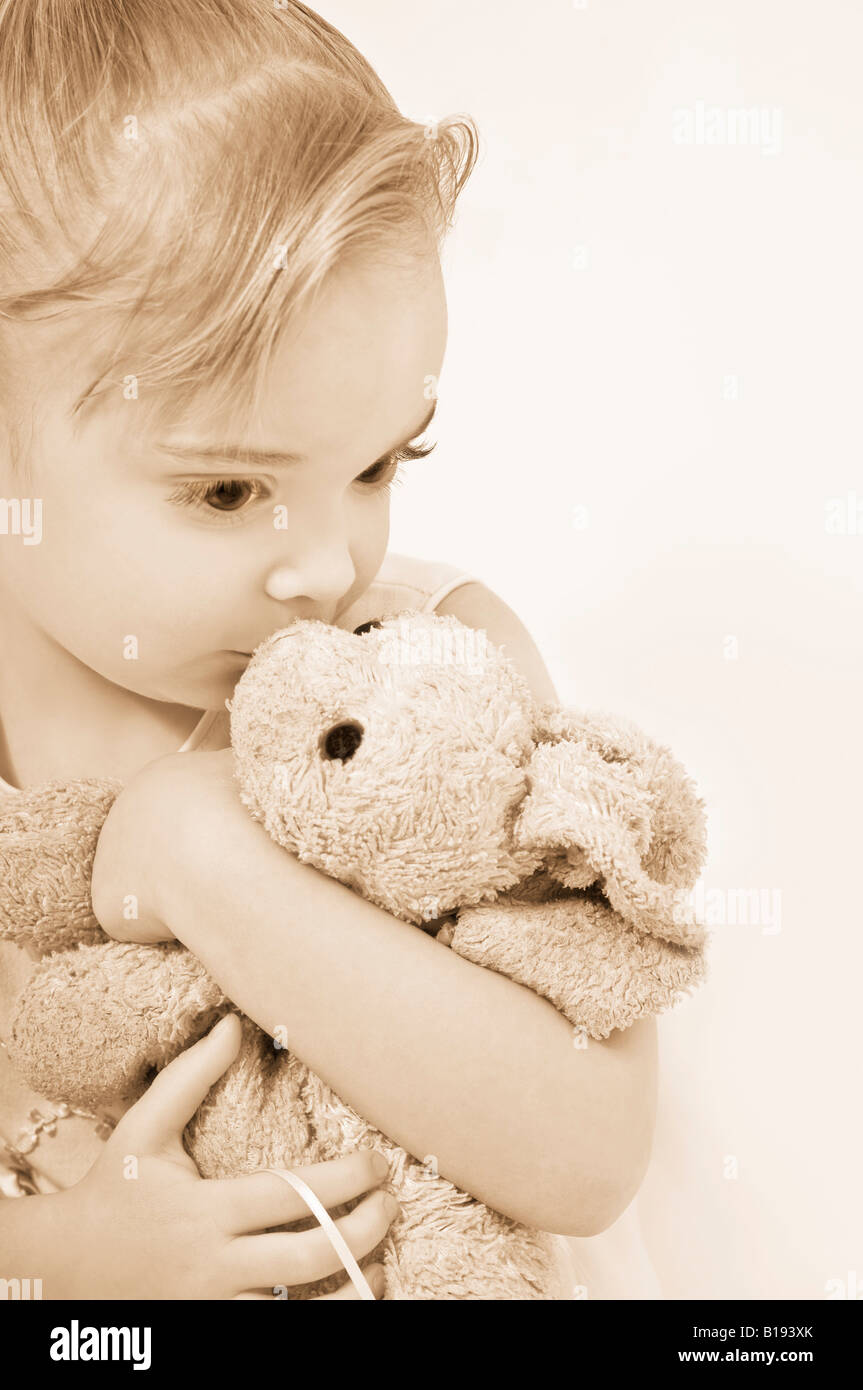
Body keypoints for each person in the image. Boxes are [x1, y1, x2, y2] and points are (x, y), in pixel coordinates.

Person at [0, 0, 656, 1299]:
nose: (327, 564)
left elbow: (589, 1149)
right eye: (229, 493)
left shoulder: (431, 670)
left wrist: (206, 860)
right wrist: (57, 1248)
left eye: (375, 463)